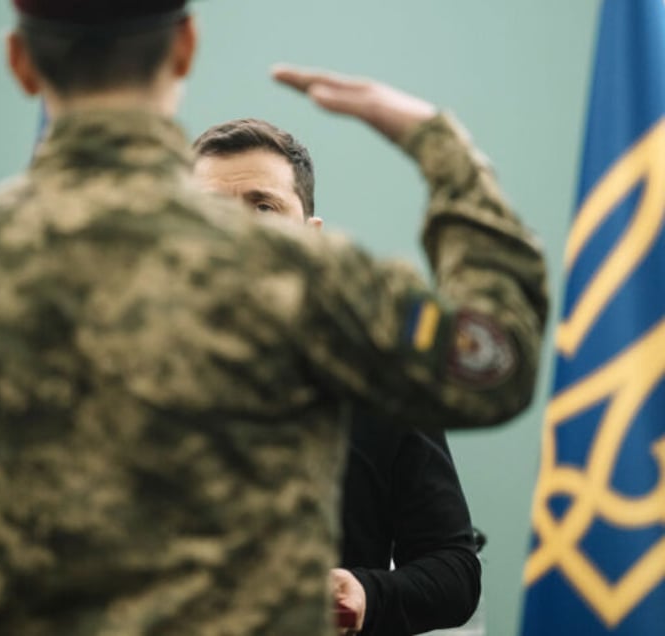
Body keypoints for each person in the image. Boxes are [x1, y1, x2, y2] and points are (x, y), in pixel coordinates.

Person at [0, 0, 549, 633]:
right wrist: (438, 147)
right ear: (185, 47)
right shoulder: (301, 281)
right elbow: (497, 363)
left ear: (20, 61)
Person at [192, 112, 481, 635]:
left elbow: (454, 570)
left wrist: (368, 594)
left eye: (264, 206)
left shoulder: (381, 380)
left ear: (311, 236)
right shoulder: (120, 369)